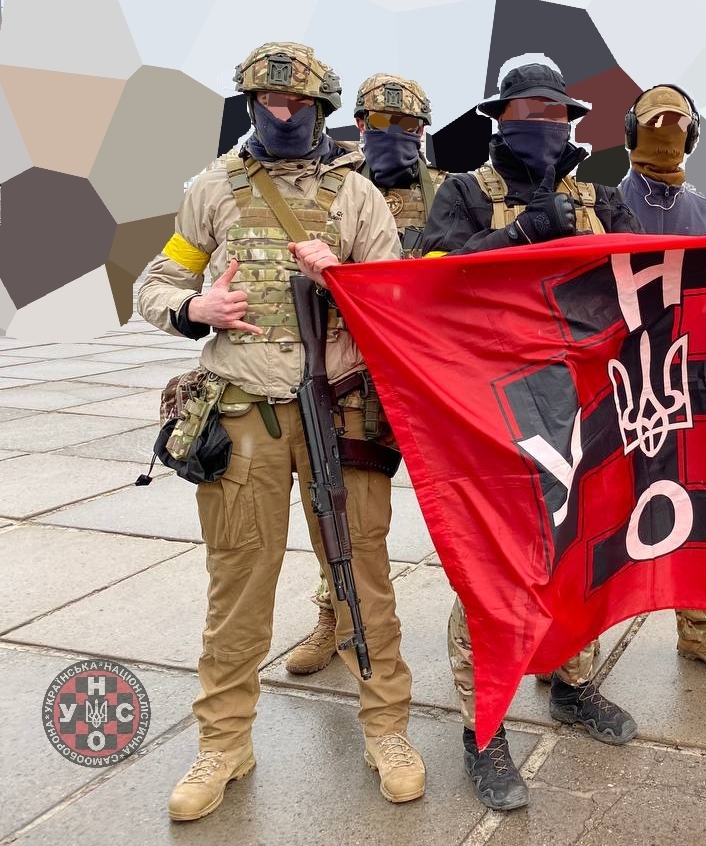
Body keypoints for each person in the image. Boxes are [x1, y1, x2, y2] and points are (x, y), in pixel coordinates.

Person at [137, 42, 426, 820]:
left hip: (342, 412)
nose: (283, 112)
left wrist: (343, 277)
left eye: (298, 103)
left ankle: (388, 730)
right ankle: (223, 742)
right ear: (249, 104)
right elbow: (158, 281)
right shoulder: (213, 189)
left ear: (321, 110)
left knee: (362, 576)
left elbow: (399, 300)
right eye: (269, 100)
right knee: (238, 583)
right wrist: (195, 308)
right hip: (245, 413)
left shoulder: (358, 196)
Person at [422, 57, 642, 812]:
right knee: (491, 565)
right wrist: (518, 234)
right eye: (525, 114)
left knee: (583, 548)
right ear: (498, 120)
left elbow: (649, 275)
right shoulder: (462, 193)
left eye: (554, 115)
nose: (541, 127)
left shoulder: (600, 197)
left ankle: (573, 683)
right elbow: (431, 279)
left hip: (584, 407)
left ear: (571, 123)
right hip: (490, 412)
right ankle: (483, 728)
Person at [285, 72, 448, 678]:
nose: (394, 132)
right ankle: (334, 612)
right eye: (380, 121)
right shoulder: (332, 188)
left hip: (427, 374)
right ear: (358, 123)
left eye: (406, 123)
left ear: (422, 129)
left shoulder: (449, 192)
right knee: (340, 509)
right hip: (351, 373)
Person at [615, 83, 706, 680]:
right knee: (607, 507)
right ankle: (576, 645)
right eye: (654, 124)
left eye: (677, 125)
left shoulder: (705, 213)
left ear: (692, 136)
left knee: (694, 500)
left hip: (684, 377)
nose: (665, 135)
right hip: (617, 377)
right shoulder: (603, 204)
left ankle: (702, 631)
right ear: (631, 132)